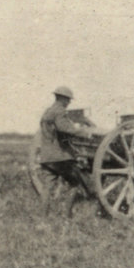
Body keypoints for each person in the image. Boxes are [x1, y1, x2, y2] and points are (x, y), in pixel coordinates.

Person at [38, 86, 93, 215]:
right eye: (68, 100)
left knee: (47, 187)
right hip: (60, 157)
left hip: (47, 156)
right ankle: (66, 215)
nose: (68, 103)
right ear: (62, 99)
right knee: (74, 183)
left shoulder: (47, 112)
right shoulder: (60, 111)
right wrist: (85, 133)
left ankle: (42, 217)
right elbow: (65, 128)